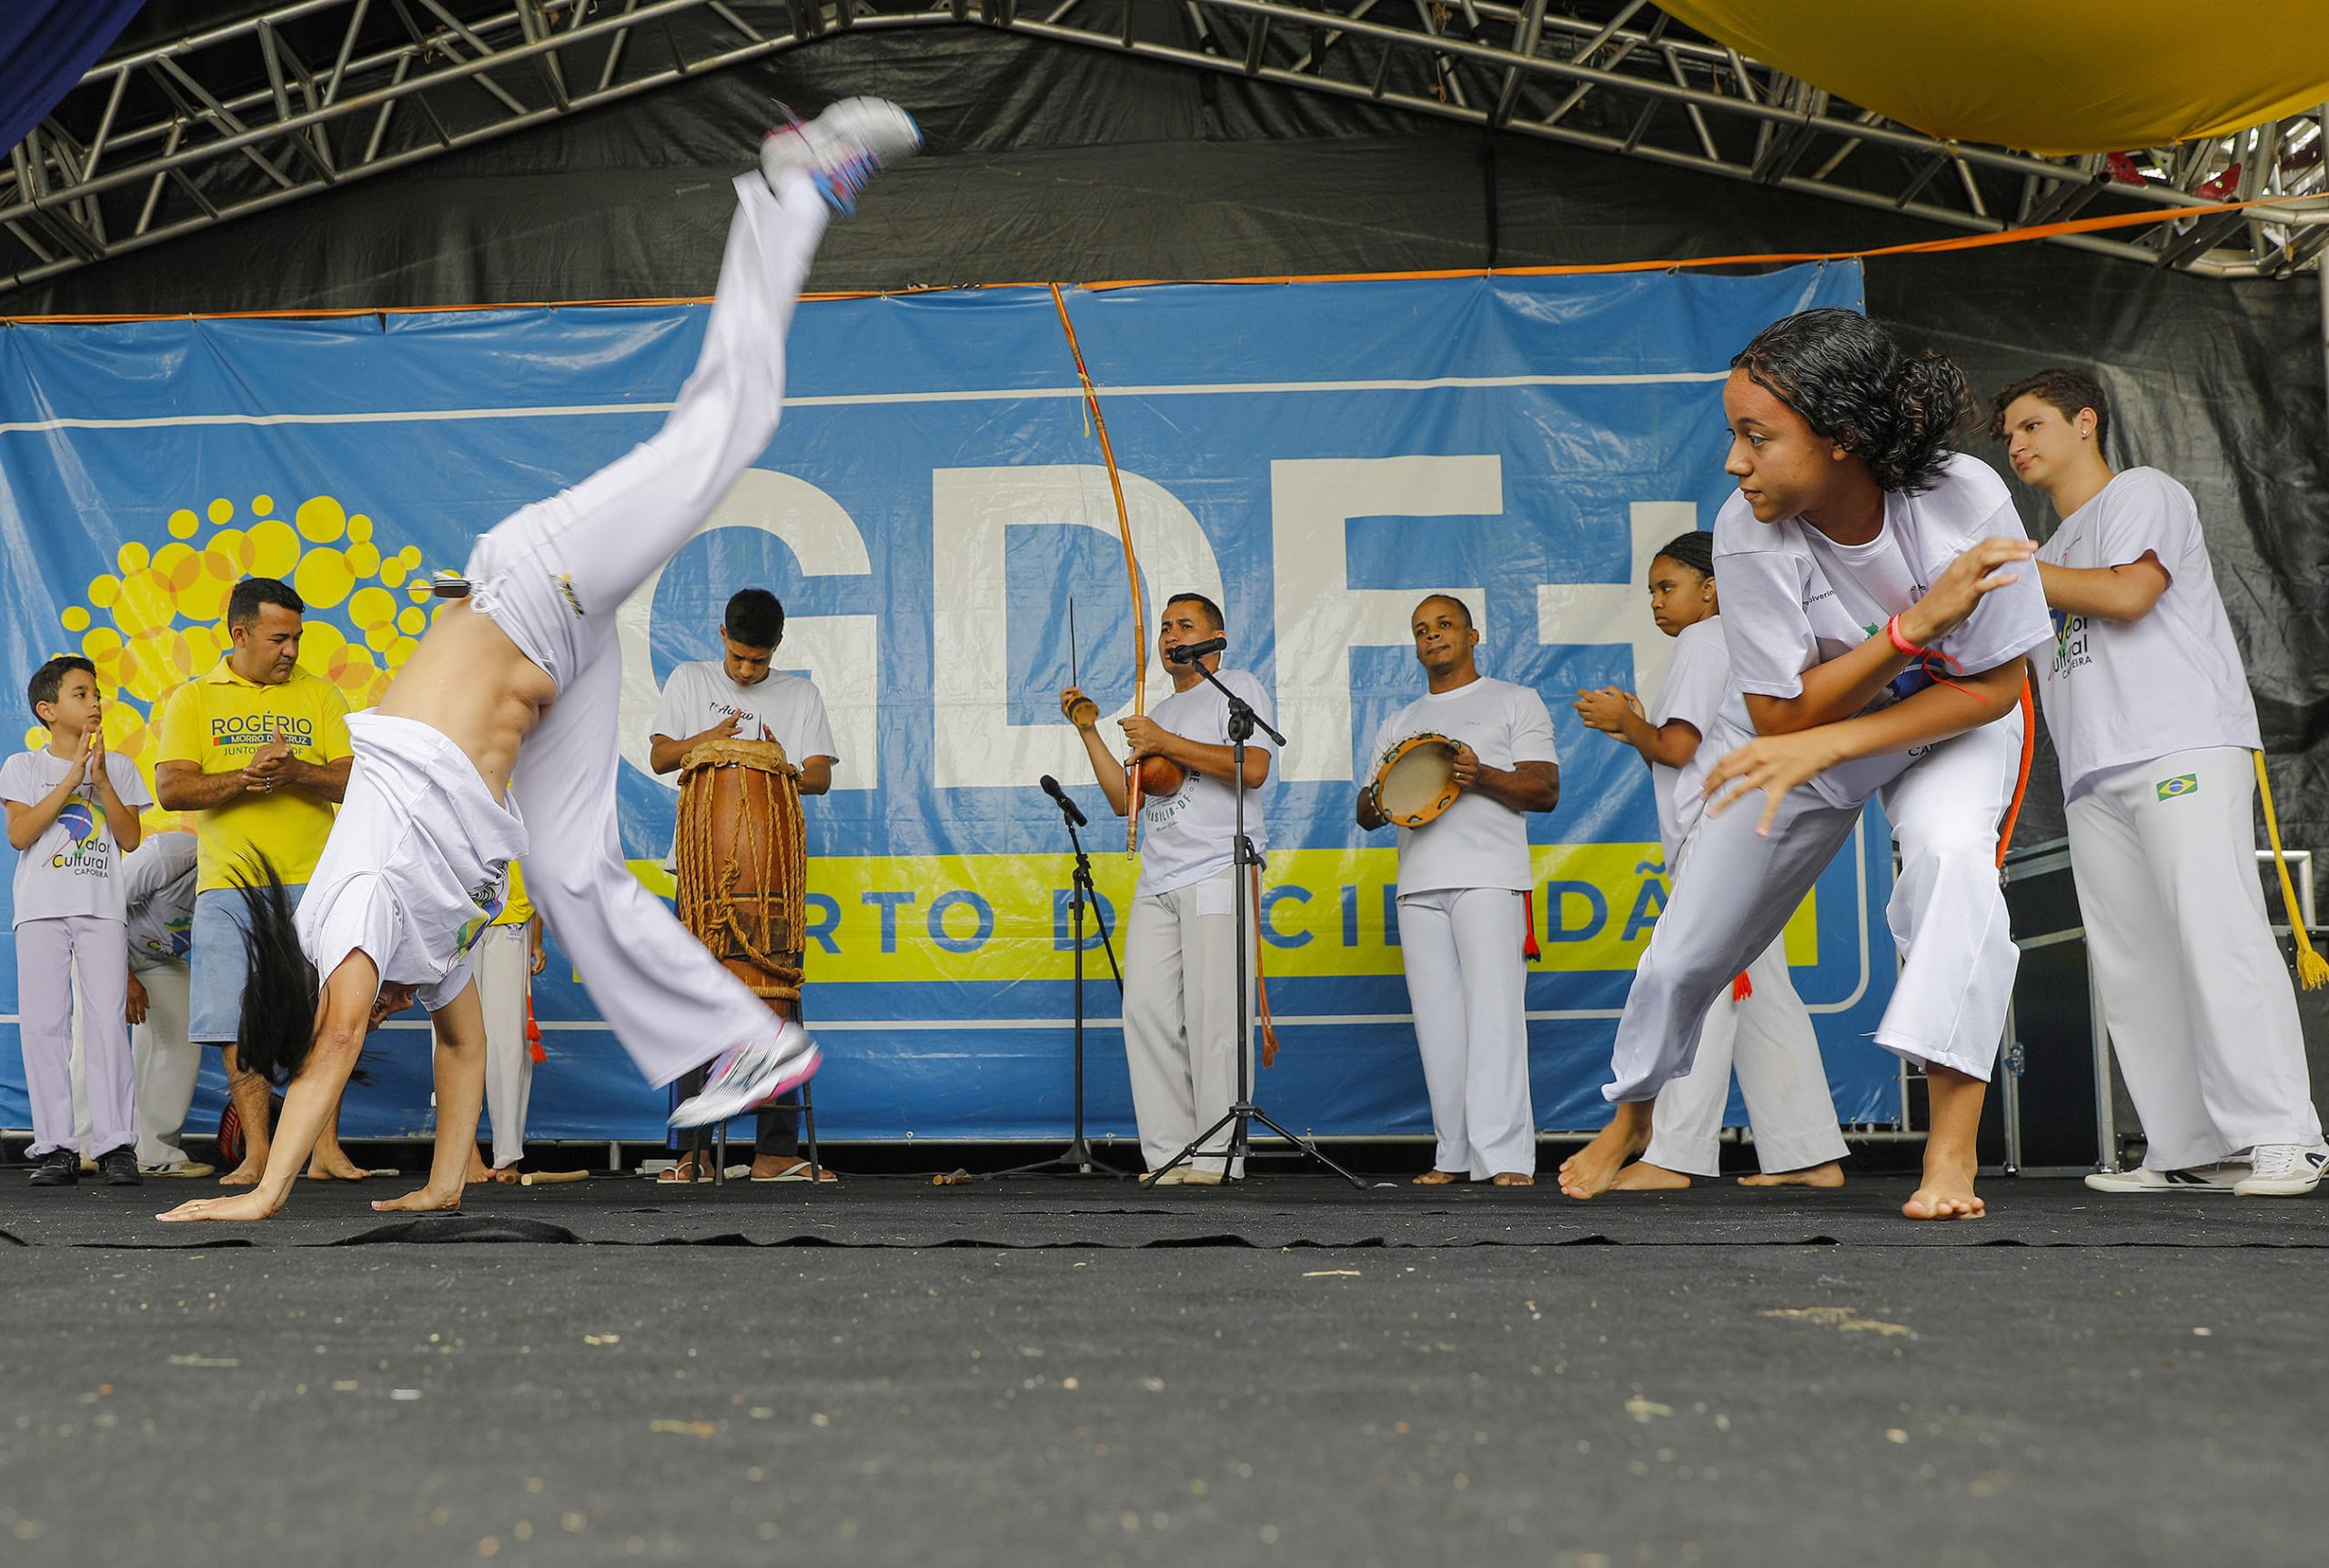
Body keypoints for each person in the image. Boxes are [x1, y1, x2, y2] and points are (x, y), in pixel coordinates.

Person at [155, 97, 923, 1225]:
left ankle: (792, 186)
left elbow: (338, 1039)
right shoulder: (432, 935)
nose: (400, 1003)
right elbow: (460, 1054)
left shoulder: (356, 918)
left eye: (376, 996)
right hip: (554, 670)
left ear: (332, 975)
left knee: (728, 426)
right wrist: (440, 1184)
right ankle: (737, 1043)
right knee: (568, 872)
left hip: (529, 588)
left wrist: (262, 1192)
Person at [1557, 307, 2050, 1221]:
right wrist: (1907, 631)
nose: (1733, 461)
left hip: (1958, 722)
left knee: (1949, 864)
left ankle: (1950, 1155)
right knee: (1686, 948)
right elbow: (1783, 712)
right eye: (1732, 434)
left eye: (1755, 436)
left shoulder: (1962, 497)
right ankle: (1633, 1116)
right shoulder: (1746, 532)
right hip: (1810, 735)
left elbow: (1993, 686)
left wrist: (1846, 727)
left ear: (1841, 439)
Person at [1993, 367, 2328, 1197]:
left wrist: (2003, 574)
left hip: (2178, 748)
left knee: (2217, 938)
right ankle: (2186, 1149)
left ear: (2085, 423)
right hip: (2093, 772)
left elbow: (2131, 594)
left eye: (2031, 425)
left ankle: (2286, 1135)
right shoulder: (2045, 548)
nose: (2016, 444)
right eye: (2007, 434)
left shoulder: (2142, 491)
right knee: (2135, 964)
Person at [1572, 531, 1848, 1191]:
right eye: (1650, 593)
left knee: (1698, 984)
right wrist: (1637, 729)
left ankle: (1674, 1153)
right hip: (1746, 829)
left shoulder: (1706, 639)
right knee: (1762, 996)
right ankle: (1810, 1155)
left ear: (1712, 588)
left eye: (1667, 588)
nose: (1657, 604)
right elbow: (1689, 754)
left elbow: (1673, 748)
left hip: (1718, 841)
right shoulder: (1749, 639)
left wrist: (1625, 721)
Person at [1060, 592, 1272, 1185]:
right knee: (1146, 1011)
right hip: (1160, 875)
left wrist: (1162, 742)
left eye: (1185, 624)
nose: (1171, 634)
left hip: (1217, 868)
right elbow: (1120, 798)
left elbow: (1253, 767)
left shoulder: (1236, 689)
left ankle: (1217, 1158)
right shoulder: (1159, 712)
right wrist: (1090, 732)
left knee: (1214, 1017)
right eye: (1163, 627)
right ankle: (1170, 1155)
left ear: (1216, 636)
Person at [154, 576, 359, 1183]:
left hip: (316, 885)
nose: (292, 650)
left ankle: (323, 1151)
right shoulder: (193, 698)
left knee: (324, 1019)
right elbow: (173, 788)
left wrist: (294, 770)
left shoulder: (322, 696)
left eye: (297, 637)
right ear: (239, 634)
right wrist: (246, 777)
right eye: (279, 638)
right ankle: (260, 1154)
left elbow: (353, 783)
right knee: (232, 1020)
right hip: (227, 887)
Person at [1357, 595, 1560, 1186]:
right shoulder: (1400, 722)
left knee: (1494, 1017)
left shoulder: (1513, 700)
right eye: (1422, 629)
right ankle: (1453, 1155)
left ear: (1474, 635)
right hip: (1419, 885)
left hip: (1490, 878)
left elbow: (1545, 790)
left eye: (1445, 624)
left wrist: (1480, 775)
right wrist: (1384, 792)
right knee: (1438, 1025)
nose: (1433, 636)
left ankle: (1503, 1159)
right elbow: (1369, 812)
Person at [650, 586, 837, 1183]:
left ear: (775, 648)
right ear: (723, 638)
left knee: (774, 1002)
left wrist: (780, 763)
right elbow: (660, 758)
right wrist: (713, 741)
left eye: (759, 661)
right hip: (702, 876)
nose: (748, 670)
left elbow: (819, 777)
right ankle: (693, 1153)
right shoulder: (689, 679)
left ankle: (773, 1153)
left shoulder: (800, 693)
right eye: (739, 658)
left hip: (771, 879)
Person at [5, 657, 149, 1186]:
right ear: (48, 710)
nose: (95, 702)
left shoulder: (123, 766)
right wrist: (71, 779)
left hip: (101, 909)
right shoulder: (22, 766)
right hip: (40, 911)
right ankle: (57, 1148)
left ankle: (115, 1147)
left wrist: (103, 781)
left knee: (107, 1024)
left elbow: (130, 838)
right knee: (45, 1026)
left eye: (95, 693)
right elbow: (20, 836)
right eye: (81, 694)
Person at [122, 829, 208, 1176]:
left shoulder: (241, 880)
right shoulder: (167, 855)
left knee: (182, 1035)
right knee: (92, 1040)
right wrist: (122, 976)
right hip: (104, 943)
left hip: (162, 958)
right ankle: (82, 1150)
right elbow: (99, 910)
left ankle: (152, 1152)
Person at [464, 856, 545, 1185]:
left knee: (508, 1044)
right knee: (454, 1036)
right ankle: (463, 1152)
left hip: (510, 919)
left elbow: (542, 863)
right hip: (456, 916)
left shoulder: (526, 803)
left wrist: (536, 938)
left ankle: (508, 1155)